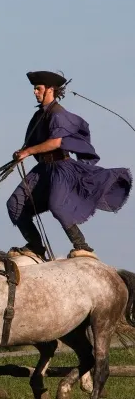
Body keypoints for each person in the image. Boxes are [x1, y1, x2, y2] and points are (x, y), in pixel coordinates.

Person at [7, 70, 132, 260]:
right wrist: (21, 152)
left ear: (50, 89)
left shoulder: (58, 114)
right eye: (34, 89)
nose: (34, 92)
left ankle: (83, 247)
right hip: (42, 170)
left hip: (60, 169)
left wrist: (27, 152)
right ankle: (35, 247)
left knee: (57, 205)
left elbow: (55, 142)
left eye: (38, 88)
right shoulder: (38, 115)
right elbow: (32, 143)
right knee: (15, 203)